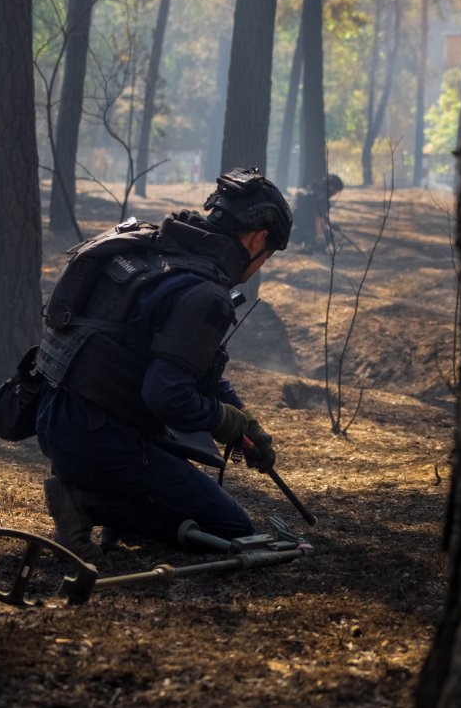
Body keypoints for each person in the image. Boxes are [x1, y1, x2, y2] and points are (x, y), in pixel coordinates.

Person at [34, 168, 294, 560]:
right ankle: (85, 499)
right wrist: (225, 421)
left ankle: (100, 493)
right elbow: (167, 394)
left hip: (61, 422)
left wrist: (244, 420)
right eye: (268, 254)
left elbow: (188, 367)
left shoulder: (155, 250)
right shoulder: (205, 293)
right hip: (102, 440)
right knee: (231, 528)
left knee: (183, 490)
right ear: (258, 239)